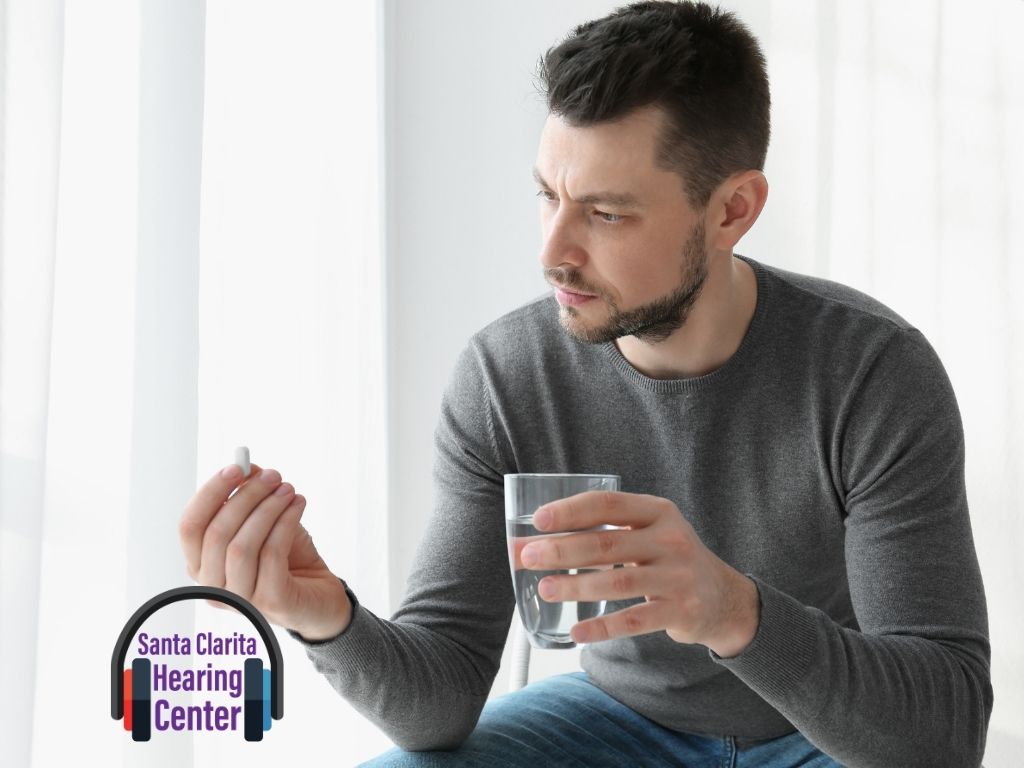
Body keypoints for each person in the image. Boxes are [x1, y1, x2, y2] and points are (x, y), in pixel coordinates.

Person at [179, 2, 993, 766]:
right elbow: (442, 702)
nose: (553, 253)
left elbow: (945, 730)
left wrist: (730, 608)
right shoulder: (506, 377)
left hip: (827, 734)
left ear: (732, 211)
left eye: (605, 214)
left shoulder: (873, 373)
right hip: (614, 724)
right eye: (547, 196)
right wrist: (325, 618)